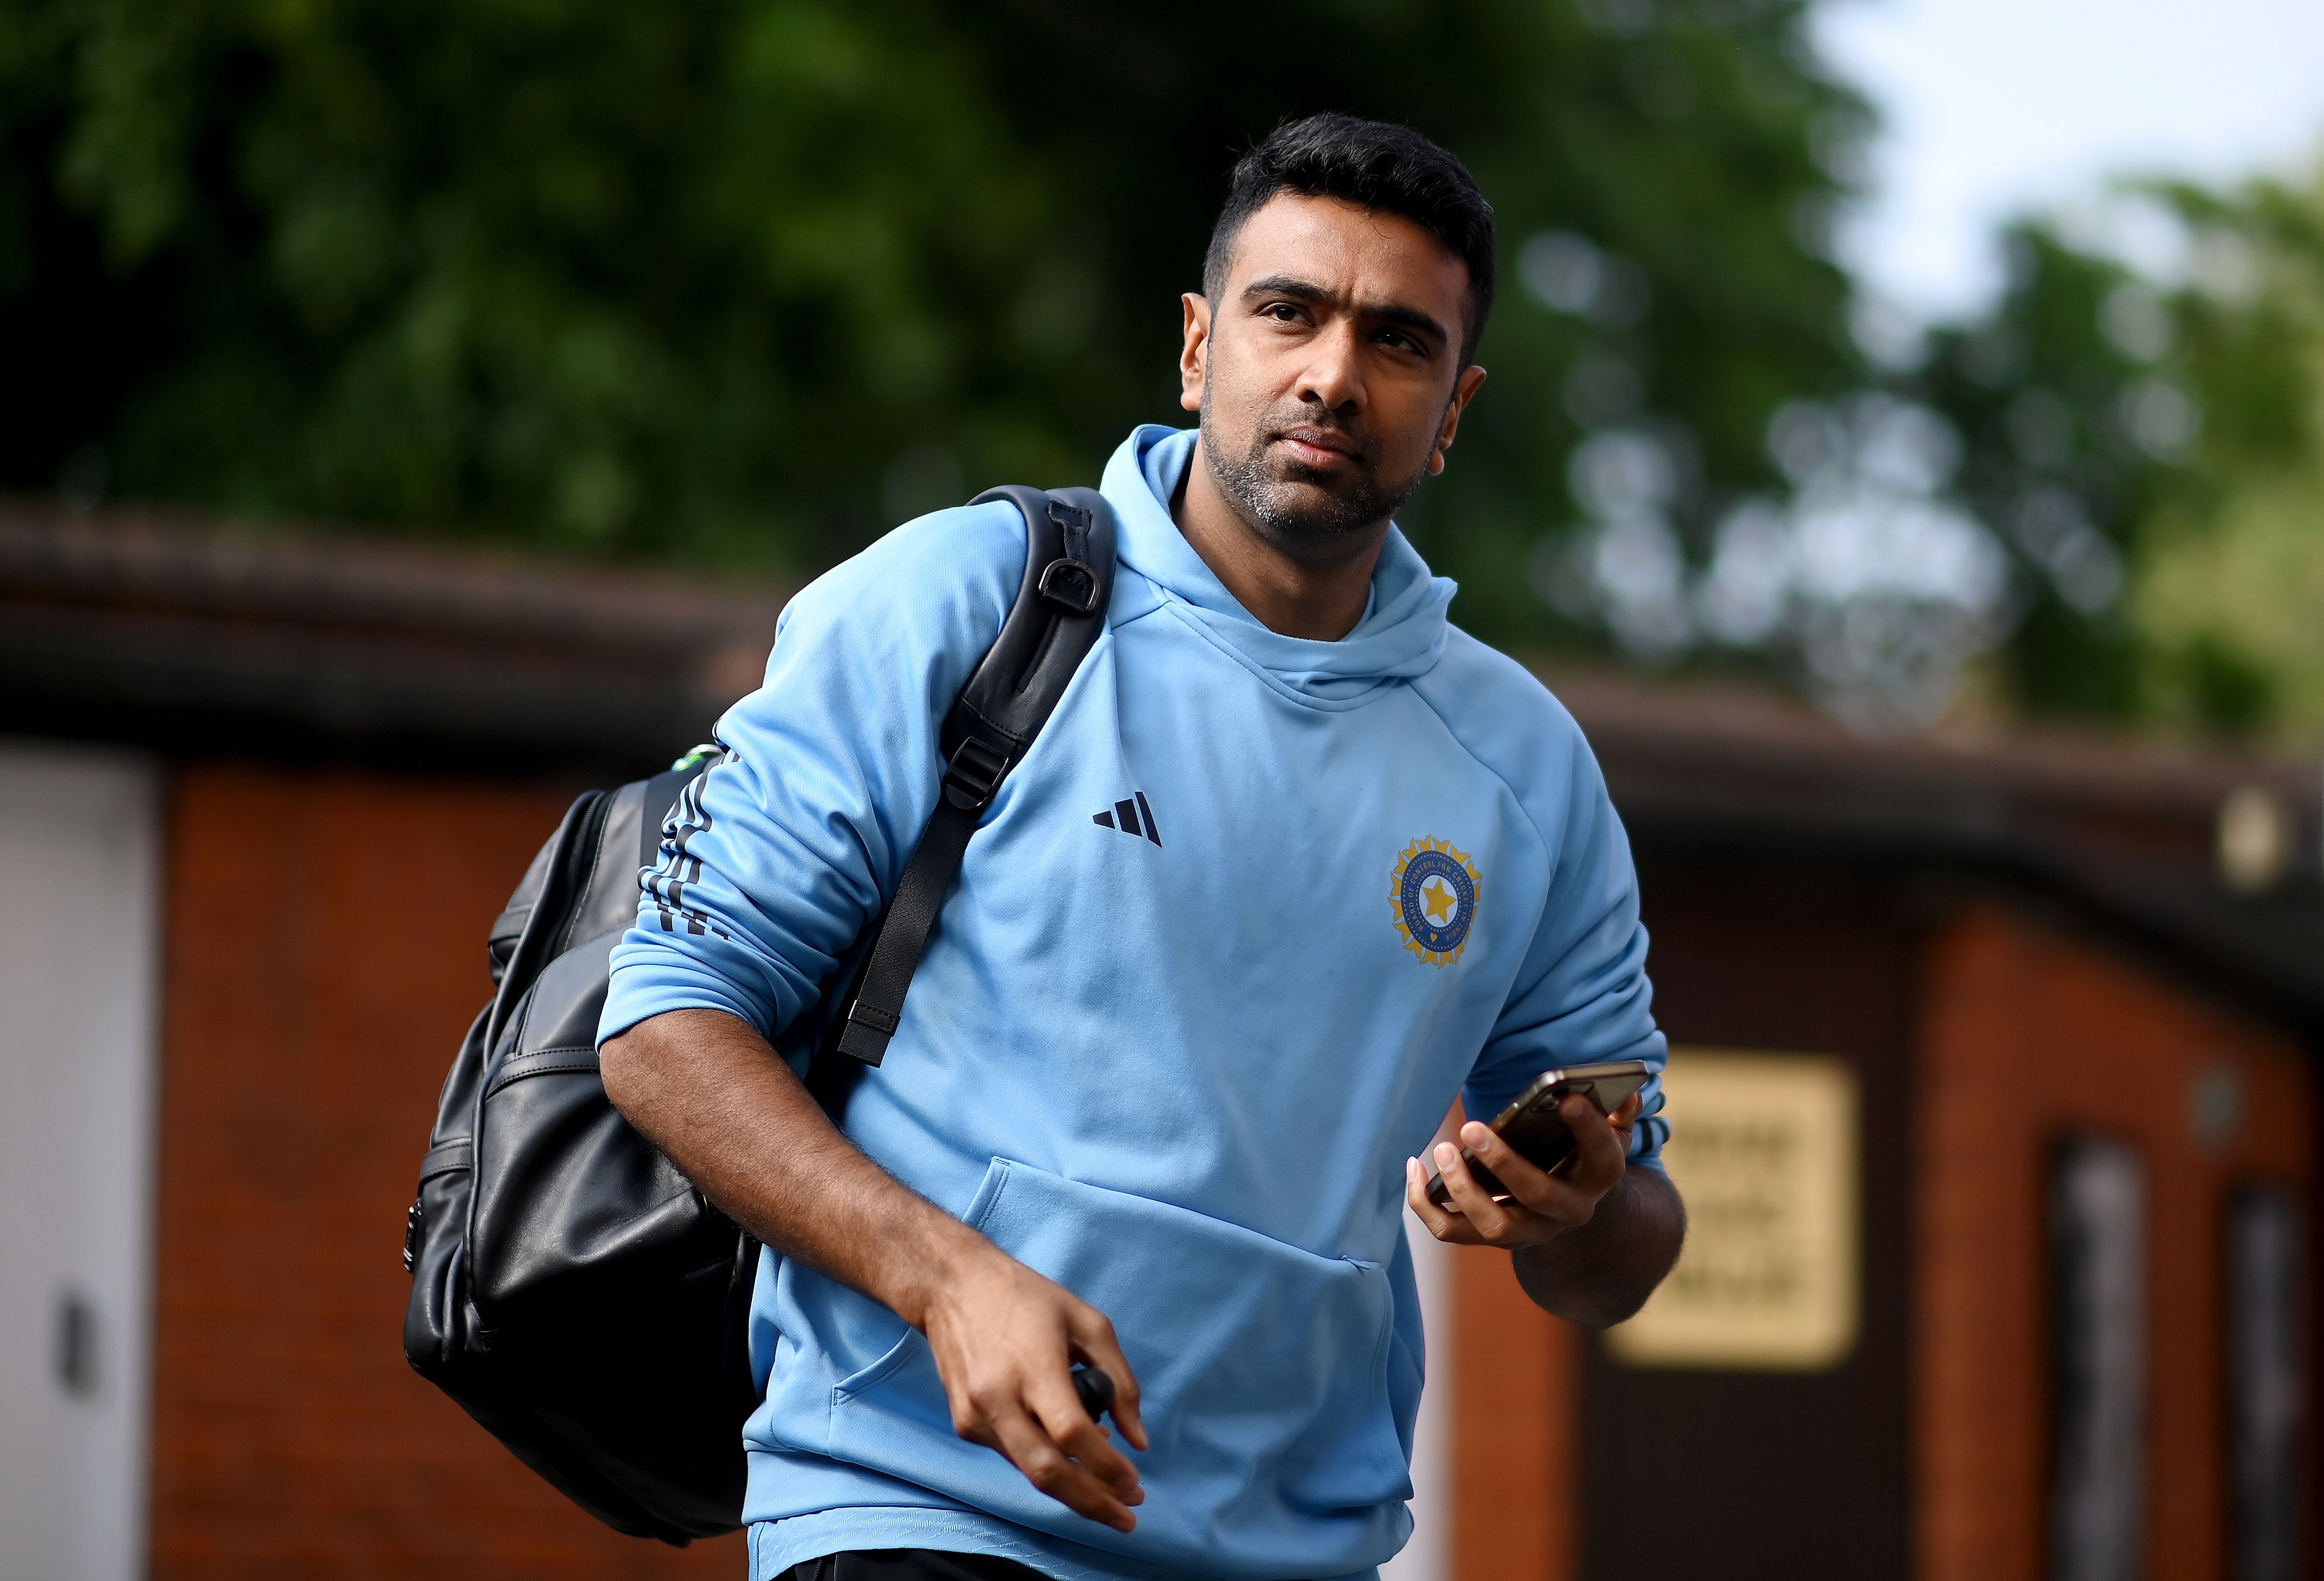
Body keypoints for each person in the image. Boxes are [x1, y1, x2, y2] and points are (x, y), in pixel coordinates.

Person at [598, 111, 1684, 1581]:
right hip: (915, 1501)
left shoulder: (1527, 768)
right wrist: (946, 1280)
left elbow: (1620, 1255)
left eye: (1398, 341)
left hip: (1299, 1553)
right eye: (1287, 312)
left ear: (1455, 409)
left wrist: (1583, 1208)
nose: (1333, 376)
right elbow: (664, 1020)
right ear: (1197, 344)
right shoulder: (969, 603)